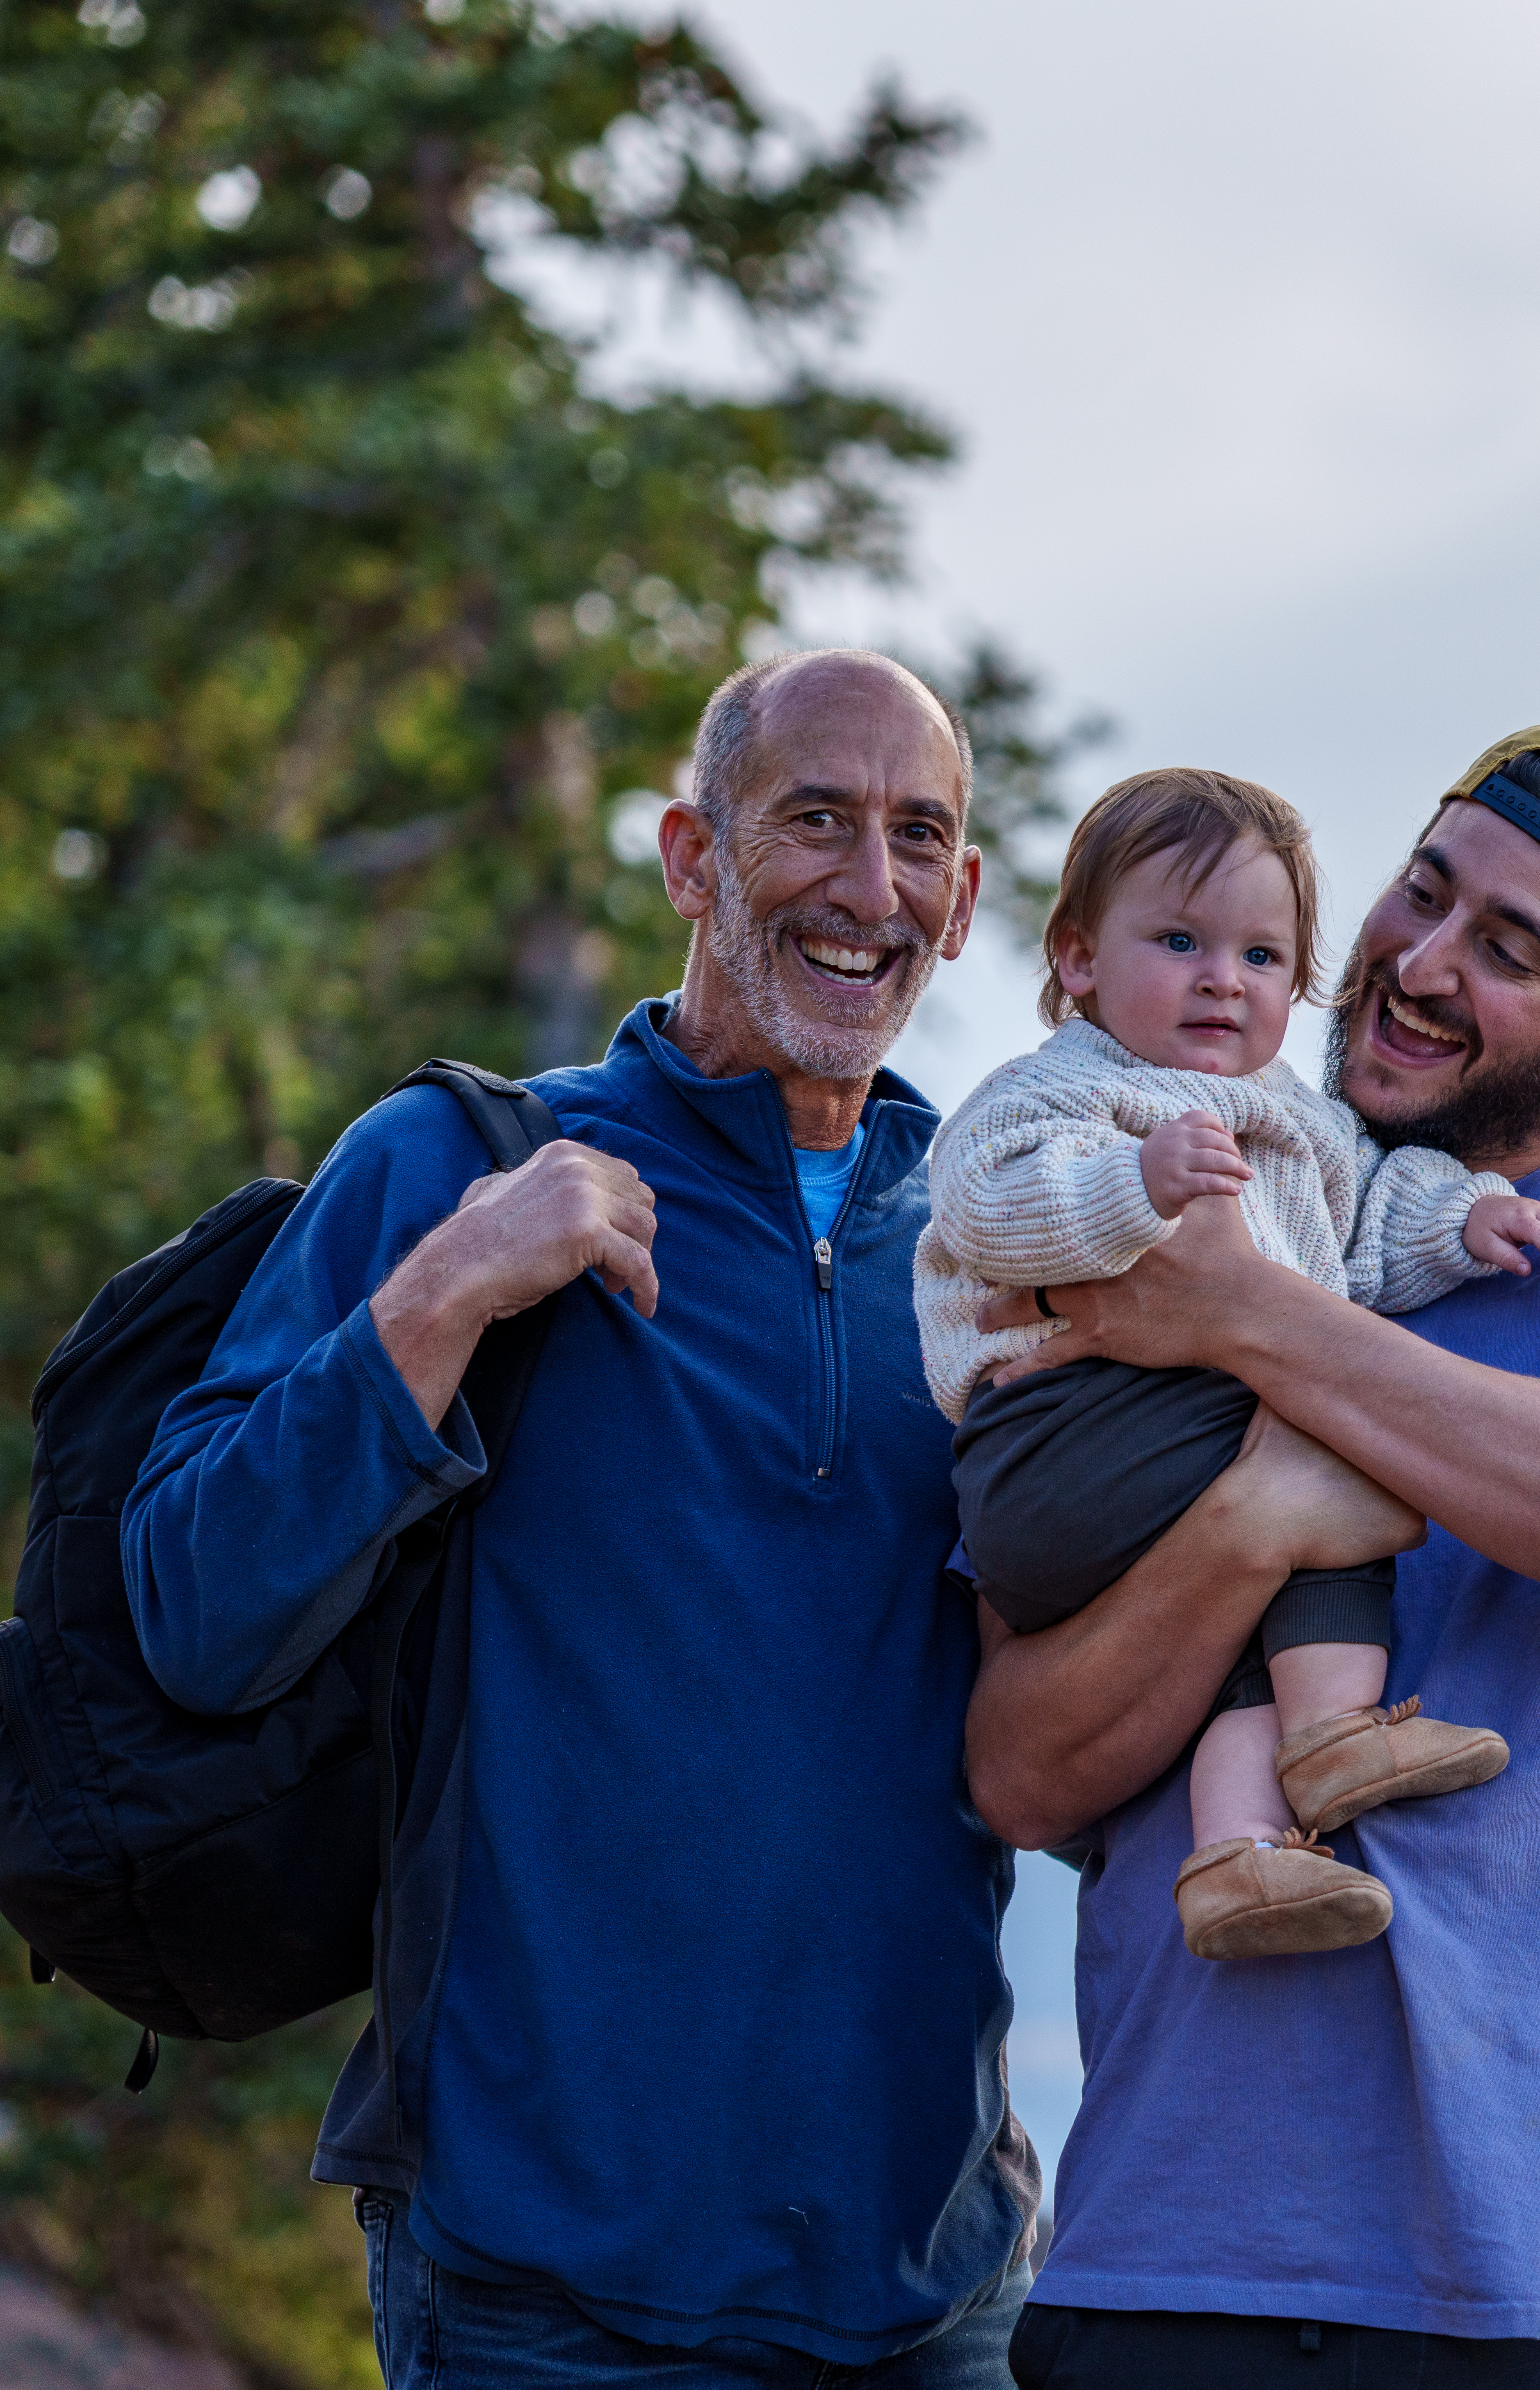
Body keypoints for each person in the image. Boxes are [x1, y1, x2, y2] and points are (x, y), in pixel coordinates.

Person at [125, 651, 1040, 2386]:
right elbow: (195, 1604)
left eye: (918, 836)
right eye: (815, 820)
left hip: (933, 2282)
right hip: (538, 2286)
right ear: (693, 859)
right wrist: (448, 1284)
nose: (871, 886)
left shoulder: (998, 1244)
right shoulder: (457, 1161)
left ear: (967, 893)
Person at [970, 727, 1540, 2389]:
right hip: (1175, 2249)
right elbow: (1020, 1771)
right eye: (1422, 892)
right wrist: (1251, 1519)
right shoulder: (1170, 1197)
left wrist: (1246, 1314)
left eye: (1508, 949)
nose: (1422, 963)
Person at [918, 766, 1540, 1959]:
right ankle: (1335, 1727)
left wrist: (1468, 1219)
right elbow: (986, 1201)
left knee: (1254, 1633)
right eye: (1180, 942)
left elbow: (1371, 1215)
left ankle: (1247, 1844)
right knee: (1341, 1434)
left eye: (1263, 956)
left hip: (1166, 1468)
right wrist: (1133, 1186)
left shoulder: (1298, 1116)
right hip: (1064, 1440)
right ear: (1078, 959)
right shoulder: (1069, 1087)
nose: (1223, 979)